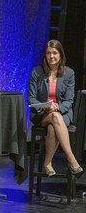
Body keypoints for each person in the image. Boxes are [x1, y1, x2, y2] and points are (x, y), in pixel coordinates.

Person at [28, 39, 83, 178]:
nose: (51, 56)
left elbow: (69, 100)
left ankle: (47, 163)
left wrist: (57, 107)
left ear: (60, 55)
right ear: (45, 55)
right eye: (48, 53)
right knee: (54, 118)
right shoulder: (37, 72)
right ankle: (71, 159)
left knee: (53, 126)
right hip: (41, 114)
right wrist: (46, 107)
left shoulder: (69, 73)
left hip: (62, 113)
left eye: (54, 53)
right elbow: (31, 98)